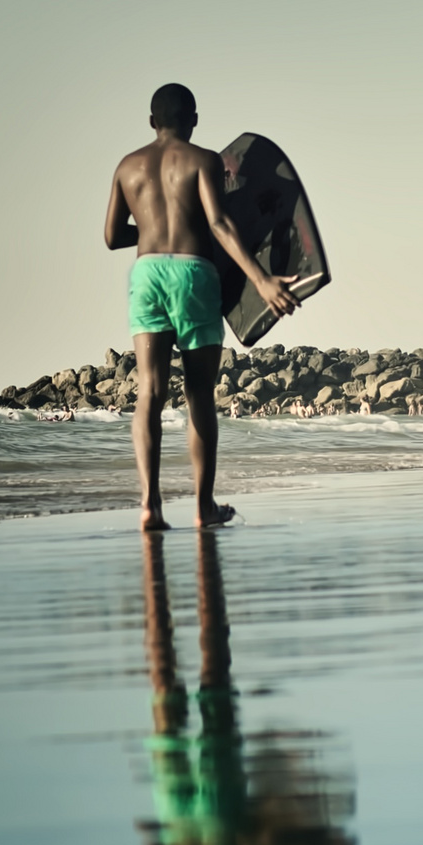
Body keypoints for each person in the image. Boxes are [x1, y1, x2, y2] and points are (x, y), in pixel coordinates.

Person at [104, 84, 299, 530]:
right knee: (198, 397)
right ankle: (203, 506)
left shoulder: (126, 166)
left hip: (146, 274)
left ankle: (150, 506)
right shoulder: (203, 160)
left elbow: (113, 236)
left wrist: (152, 230)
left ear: (152, 122)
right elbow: (218, 221)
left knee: (149, 393)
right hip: (193, 273)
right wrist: (260, 279)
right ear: (193, 119)